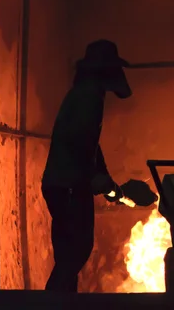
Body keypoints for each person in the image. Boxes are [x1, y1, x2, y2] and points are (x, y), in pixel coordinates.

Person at [41, 39, 132, 292]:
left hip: (60, 184)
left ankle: (62, 303)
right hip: (69, 186)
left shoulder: (83, 93)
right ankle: (51, 305)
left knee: (68, 256)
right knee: (76, 253)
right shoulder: (89, 96)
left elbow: (90, 144)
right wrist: (95, 177)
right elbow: (80, 141)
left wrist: (105, 178)